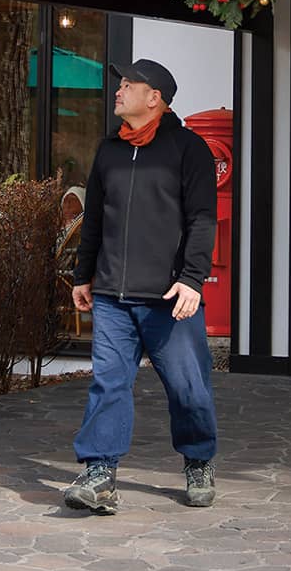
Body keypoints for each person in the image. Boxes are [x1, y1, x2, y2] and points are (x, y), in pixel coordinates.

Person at [63, 58, 219, 515]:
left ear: (155, 98)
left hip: (169, 297)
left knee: (188, 388)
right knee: (108, 384)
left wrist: (192, 280)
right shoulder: (109, 149)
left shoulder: (189, 149)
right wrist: (83, 274)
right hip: (112, 294)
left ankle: (199, 461)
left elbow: (202, 219)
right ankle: (100, 473)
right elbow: (95, 217)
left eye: (129, 85)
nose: (119, 90)